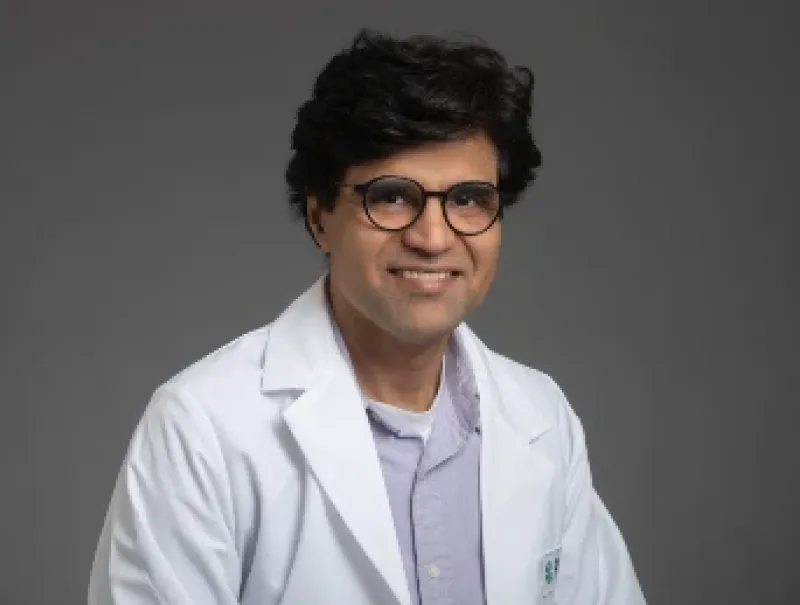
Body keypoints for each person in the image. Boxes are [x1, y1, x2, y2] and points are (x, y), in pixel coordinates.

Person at [88, 28, 646, 605]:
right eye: (392, 196)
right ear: (319, 217)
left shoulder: (542, 416)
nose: (433, 239)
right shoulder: (203, 426)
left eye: (467, 199)